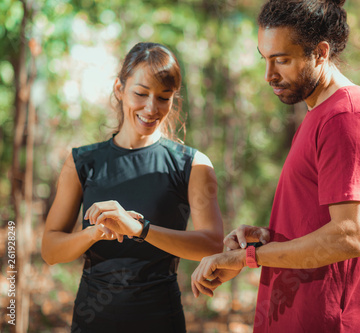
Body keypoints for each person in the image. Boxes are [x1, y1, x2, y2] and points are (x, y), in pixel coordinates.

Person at [191, 0, 360, 332]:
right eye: (266, 59)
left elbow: (350, 236)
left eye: (282, 60)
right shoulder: (319, 114)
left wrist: (249, 258)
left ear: (320, 52)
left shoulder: (348, 117)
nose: (269, 75)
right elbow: (317, 226)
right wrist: (266, 239)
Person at [41, 42, 224, 333]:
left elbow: (212, 245)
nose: (151, 108)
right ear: (119, 89)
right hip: (92, 321)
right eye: (140, 93)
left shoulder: (192, 164)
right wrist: (95, 232)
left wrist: (140, 229)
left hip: (160, 318)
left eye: (164, 97)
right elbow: (50, 250)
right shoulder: (81, 161)